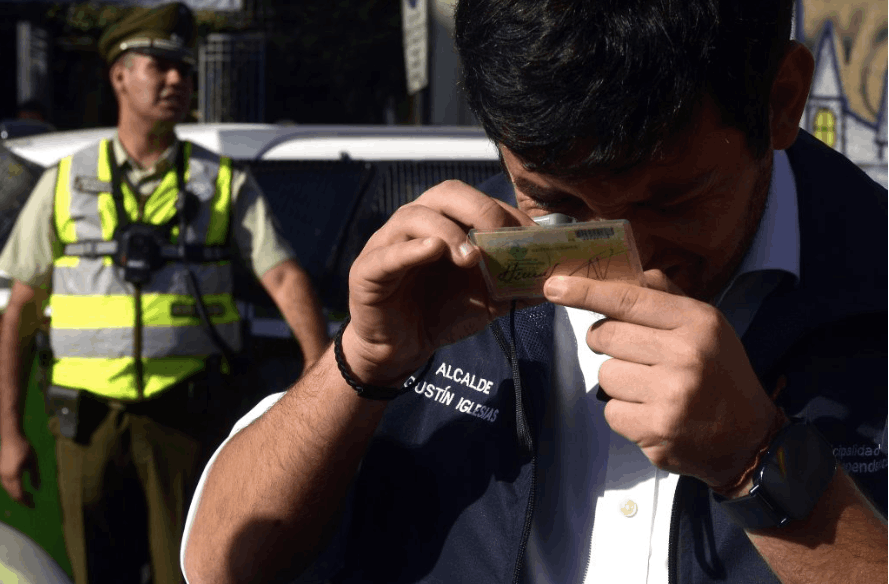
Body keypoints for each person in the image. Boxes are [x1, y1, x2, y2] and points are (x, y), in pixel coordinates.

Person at [182, 1, 887, 583]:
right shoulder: (447, 271)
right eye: (560, 207)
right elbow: (220, 566)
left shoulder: (868, 276)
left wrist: (759, 465)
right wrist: (361, 363)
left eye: (673, 202)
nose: (627, 260)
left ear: (781, 100)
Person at [0, 3, 329, 584]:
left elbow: (283, 276)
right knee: (95, 573)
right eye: (160, 65)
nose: (178, 78)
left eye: (185, 68)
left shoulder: (222, 181)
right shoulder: (63, 181)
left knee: (192, 571)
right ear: (120, 75)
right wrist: (7, 432)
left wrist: (316, 373)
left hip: (184, 416)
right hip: (86, 424)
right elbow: (19, 311)